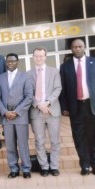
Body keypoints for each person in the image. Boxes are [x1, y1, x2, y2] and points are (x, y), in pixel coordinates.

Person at [59, 38, 95, 175]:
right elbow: (62, 89)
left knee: (93, 136)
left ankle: (94, 163)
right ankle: (85, 165)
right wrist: (64, 107)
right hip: (75, 107)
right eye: (75, 47)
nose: (77, 49)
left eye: (80, 46)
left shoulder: (93, 63)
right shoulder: (65, 66)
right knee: (79, 137)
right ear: (71, 49)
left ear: (84, 47)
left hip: (92, 106)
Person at [0, 53, 33, 179]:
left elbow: (29, 97)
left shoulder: (25, 76)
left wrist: (17, 111)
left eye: (13, 61)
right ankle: (13, 168)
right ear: (5, 63)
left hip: (20, 116)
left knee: (23, 144)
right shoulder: (0, 78)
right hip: (6, 117)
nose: (10, 63)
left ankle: (26, 168)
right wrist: (5, 112)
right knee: (10, 145)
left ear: (17, 62)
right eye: (8, 61)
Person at [28, 47, 62, 177]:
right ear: (33, 57)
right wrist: (38, 104)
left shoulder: (54, 72)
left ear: (45, 56)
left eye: (41, 56)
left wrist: (47, 102)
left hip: (52, 110)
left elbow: (58, 88)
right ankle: (44, 167)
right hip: (36, 113)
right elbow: (28, 93)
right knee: (39, 141)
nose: (39, 58)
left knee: (55, 141)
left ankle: (54, 166)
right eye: (36, 56)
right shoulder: (28, 74)